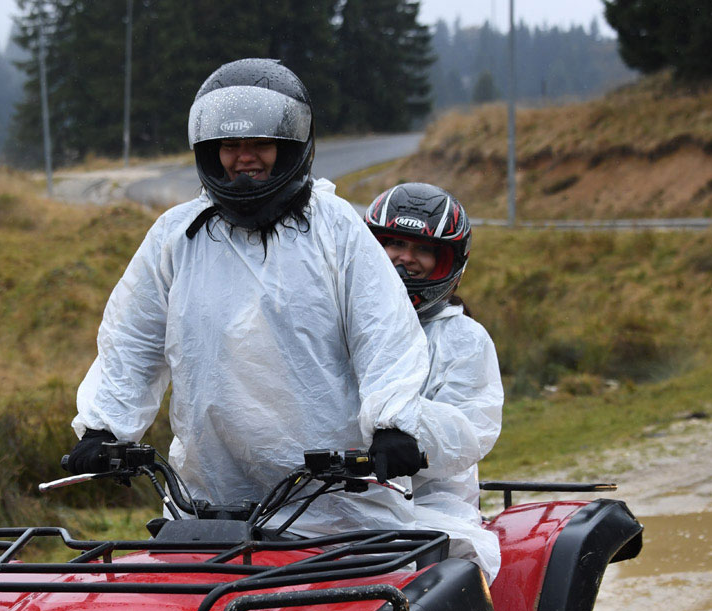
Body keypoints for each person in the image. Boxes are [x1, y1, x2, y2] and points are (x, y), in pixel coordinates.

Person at [67, 59, 508, 576]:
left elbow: (382, 333)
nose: (243, 159)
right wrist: (104, 428)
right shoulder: (175, 235)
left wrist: (396, 425)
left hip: (336, 503)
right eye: (229, 147)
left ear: (292, 146)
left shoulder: (337, 228)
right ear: (210, 152)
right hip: (210, 504)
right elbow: (133, 338)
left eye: (260, 144)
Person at [365, 183, 504, 575]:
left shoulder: (463, 339)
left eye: (423, 250)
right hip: (328, 504)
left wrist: (406, 432)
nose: (405, 259)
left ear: (450, 263)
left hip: (428, 513)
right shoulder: (339, 322)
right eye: (393, 243)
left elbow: (468, 432)